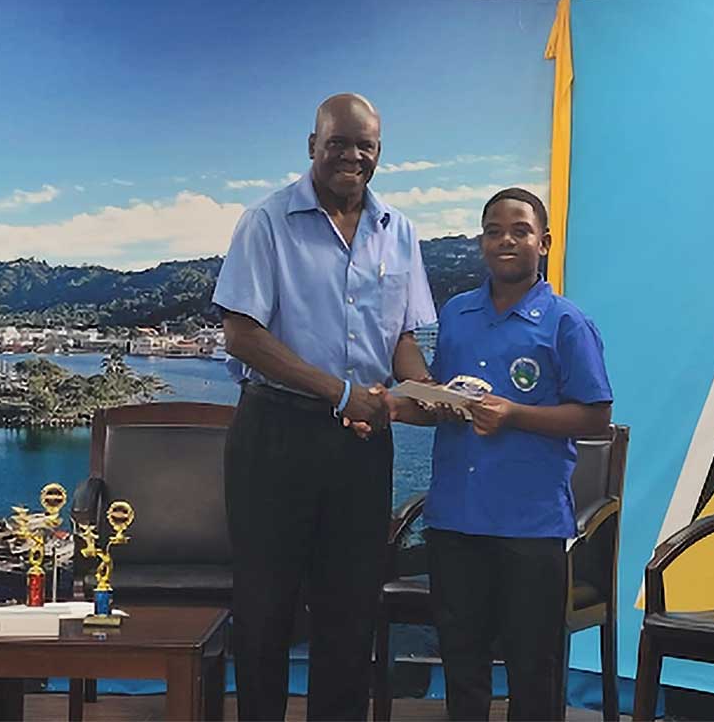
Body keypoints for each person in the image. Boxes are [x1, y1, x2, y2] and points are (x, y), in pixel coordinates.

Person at [212, 93, 436, 720]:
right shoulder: (267, 221)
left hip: (362, 442)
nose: (352, 155)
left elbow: (403, 342)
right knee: (266, 607)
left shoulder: (401, 232)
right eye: (339, 141)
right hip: (275, 434)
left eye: (365, 145)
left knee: (350, 607)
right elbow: (242, 334)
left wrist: (429, 394)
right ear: (312, 145)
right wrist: (340, 393)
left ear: (378, 154)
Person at [391, 187, 613, 720]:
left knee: (532, 672)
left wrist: (514, 414)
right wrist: (405, 405)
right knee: (463, 668)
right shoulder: (459, 314)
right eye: (493, 231)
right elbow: (442, 400)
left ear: (545, 242)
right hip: (455, 520)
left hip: (529, 527)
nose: (505, 241)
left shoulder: (566, 323)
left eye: (519, 231)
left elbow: (595, 417)